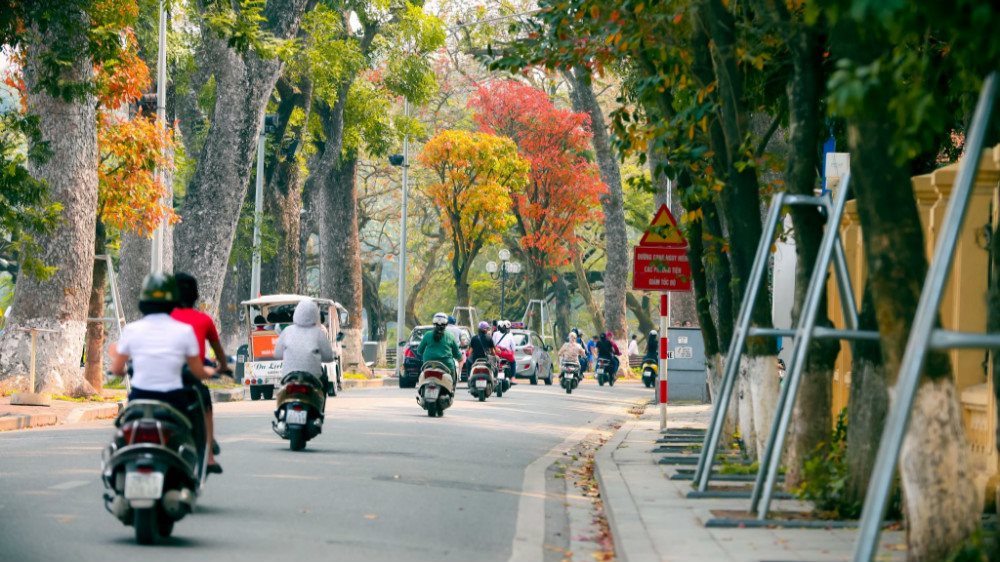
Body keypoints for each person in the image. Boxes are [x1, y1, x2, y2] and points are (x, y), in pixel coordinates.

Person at [109, 274, 217, 470]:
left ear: (143, 300)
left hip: (139, 400)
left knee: (121, 437)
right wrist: (210, 371)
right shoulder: (184, 331)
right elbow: (197, 371)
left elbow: (116, 370)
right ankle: (204, 460)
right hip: (173, 402)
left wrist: (122, 368)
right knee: (192, 428)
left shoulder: (131, 330)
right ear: (173, 301)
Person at [171, 272, 230, 472]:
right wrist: (223, 367)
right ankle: (210, 457)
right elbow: (219, 352)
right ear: (195, 295)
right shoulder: (204, 320)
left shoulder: (163, 320)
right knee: (205, 404)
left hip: (160, 380)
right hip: (190, 380)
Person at [273, 299, 335, 392]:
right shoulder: (318, 332)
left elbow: (277, 354)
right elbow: (328, 356)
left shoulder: (287, 331)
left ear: (296, 313)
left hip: (289, 377)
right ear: (316, 315)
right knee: (324, 382)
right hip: (313, 378)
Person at [417, 312, 462, 377]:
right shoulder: (450, 336)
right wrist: (460, 358)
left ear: (434, 323)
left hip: (428, 364)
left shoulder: (427, 335)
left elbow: (419, 351)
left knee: (422, 378)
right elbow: (457, 353)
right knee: (453, 379)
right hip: (447, 365)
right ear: (446, 324)